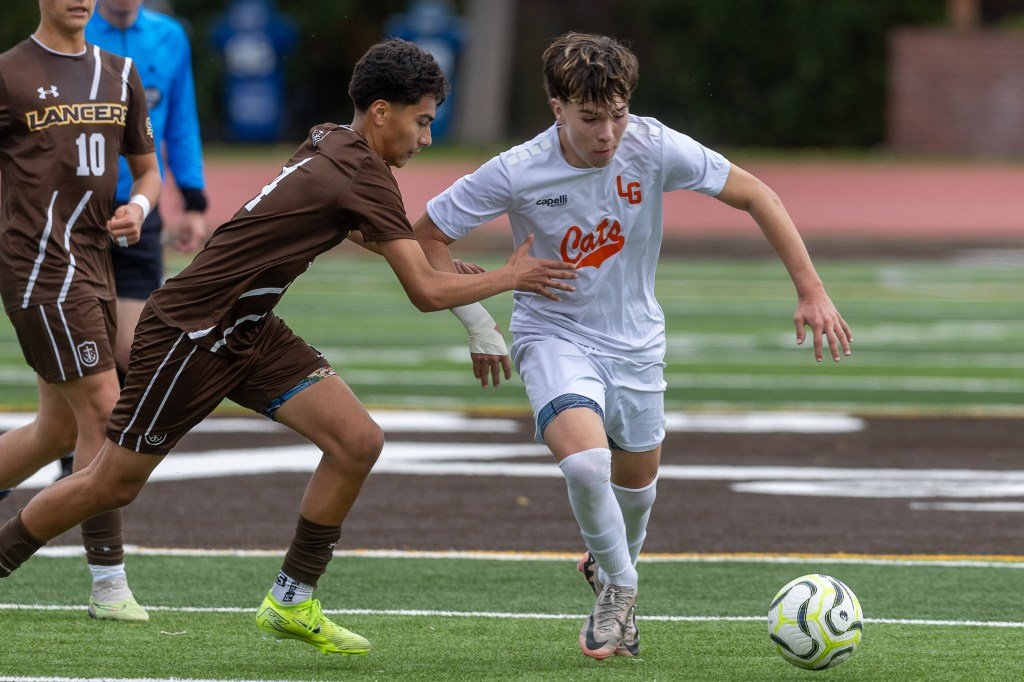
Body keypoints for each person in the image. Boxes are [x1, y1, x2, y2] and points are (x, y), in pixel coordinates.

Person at [0, 38, 576, 655]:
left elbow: (407, 255)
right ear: (382, 111)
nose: (427, 138)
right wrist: (513, 278)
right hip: (192, 333)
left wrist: (479, 315)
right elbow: (424, 290)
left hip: (248, 329)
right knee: (111, 483)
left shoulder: (334, 141)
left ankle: (292, 599)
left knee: (357, 441)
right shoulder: (361, 171)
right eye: (424, 120)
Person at [413, 32, 853, 660]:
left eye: (617, 115)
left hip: (638, 343)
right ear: (556, 107)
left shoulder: (652, 144)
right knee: (587, 464)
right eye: (591, 119)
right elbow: (421, 237)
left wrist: (811, 289)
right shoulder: (516, 169)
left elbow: (758, 194)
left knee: (638, 487)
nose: (607, 134)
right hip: (553, 334)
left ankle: (605, 566)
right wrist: (482, 320)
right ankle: (621, 586)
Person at [0, 0, 160, 620]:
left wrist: (139, 210)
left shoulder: (120, 72)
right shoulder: (9, 72)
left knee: (57, 431)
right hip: (37, 268)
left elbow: (147, 172)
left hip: (96, 263)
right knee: (104, 408)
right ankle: (107, 584)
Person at [35, 0, 210, 481]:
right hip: (66, 221)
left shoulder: (170, 36)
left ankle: (91, 465)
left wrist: (192, 198)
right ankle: (74, 462)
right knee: (69, 379)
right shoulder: (65, 32)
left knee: (131, 351)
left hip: (135, 212)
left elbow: (180, 121)